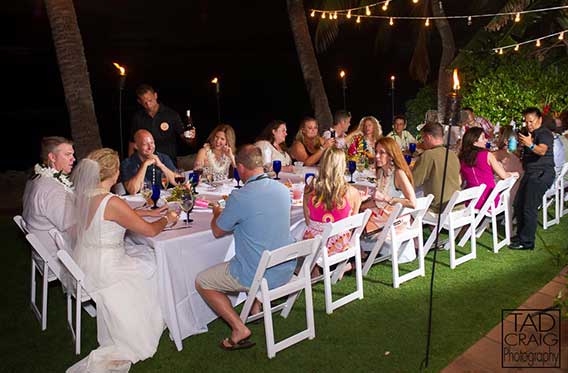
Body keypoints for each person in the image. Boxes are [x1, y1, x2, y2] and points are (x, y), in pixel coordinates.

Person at [67, 148, 179, 372]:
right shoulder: (111, 201)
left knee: (143, 254)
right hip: (108, 269)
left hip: (87, 262)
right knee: (154, 263)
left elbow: (121, 214)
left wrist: (150, 213)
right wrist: (167, 218)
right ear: (114, 173)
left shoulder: (85, 196)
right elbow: (148, 232)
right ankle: (160, 316)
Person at [195, 145, 294, 351]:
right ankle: (255, 306)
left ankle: (239, 328)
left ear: (240, 168)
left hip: (260, 273)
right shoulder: (283, 190)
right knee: (257, 243)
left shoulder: (241, 197)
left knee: (202, 281)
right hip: (285, 267)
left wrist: (216, 213)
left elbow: (218, 231)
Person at [302, 147, 362, 275]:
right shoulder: (352, 193)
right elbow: (352, 226)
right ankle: (342, 267)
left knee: (303, 230)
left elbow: (308, 221)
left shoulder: (309, 189)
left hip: (314, 245)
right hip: (339, 247)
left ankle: (315, 268)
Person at [360, 137, 416, 262]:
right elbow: (377, 201)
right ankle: (360, 255)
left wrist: (387, 198)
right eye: (376, 152)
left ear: (391, 155)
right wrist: (360, 205)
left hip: (395, 221)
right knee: (355, 212)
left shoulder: (398, 174)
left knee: (356, 221)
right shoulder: (381, 172)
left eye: (382, 152)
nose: (377, 156)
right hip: (385, 215)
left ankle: (357, 259)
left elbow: (412, 203)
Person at [23, 136, 75, 261]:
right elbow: (73, 229)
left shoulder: (35, 179)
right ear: (52, 157)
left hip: (42, 252)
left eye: (73, 154)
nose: (73, 159)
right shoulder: (54, 190)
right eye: (68, 155)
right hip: (58, 256)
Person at [510, 107, 555, 250]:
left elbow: (541, 150)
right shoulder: (529, 134)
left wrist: (530, 144)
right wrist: (515, 150)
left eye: (531, 121)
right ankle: (522, 235)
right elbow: (526, 155)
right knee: (518, 204)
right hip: (530, 173)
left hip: (541, 173)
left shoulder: (544, 133)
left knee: (529, 207)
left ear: (540, 119)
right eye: (526, 121)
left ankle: (527, 242)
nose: (529, 124)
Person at [129, 84, 196, 163]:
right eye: (145, 102)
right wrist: (130, 163)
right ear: (139, 102)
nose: (148, 105)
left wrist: (191, 137)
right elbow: (132, 143)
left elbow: (188, 140)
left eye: (150, 100)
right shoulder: (138, 117)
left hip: (168, 162)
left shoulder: (171, 114)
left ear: (155, 95)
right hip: (146, 162)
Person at [459, 127, 519, 210]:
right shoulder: (487, 155)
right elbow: (504, 175)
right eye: (483, 138)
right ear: (474, 142)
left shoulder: (462, 158)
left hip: (471, 202)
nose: (486, 140)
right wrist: (514, 174)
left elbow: (460, 181)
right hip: (490, 200)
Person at [413, 122, 461, 214]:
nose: (423, 142)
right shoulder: (452, 154)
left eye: (423, 139)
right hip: (457, 204)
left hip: (439, 208)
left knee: (407, 206)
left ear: (428, 137)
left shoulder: (428, 155)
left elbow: (414, 182)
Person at [121, 129, 178, 195]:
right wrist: (144, 165)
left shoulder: (163, 158)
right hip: (140, 203)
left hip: (163, 199)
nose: (150, 147)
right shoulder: (127, 163)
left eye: (152, 143)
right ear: (136, 146)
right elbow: (133, 190)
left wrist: (161, 165)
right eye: (145, 144)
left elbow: (177, 182)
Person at [493, 125, 524, 202]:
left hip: (508, 195)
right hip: (519, 193)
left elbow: (484, 157)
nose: (497, 139)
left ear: (505, 141)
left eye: (499, 136)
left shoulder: (500, 154)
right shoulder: (517, 153)